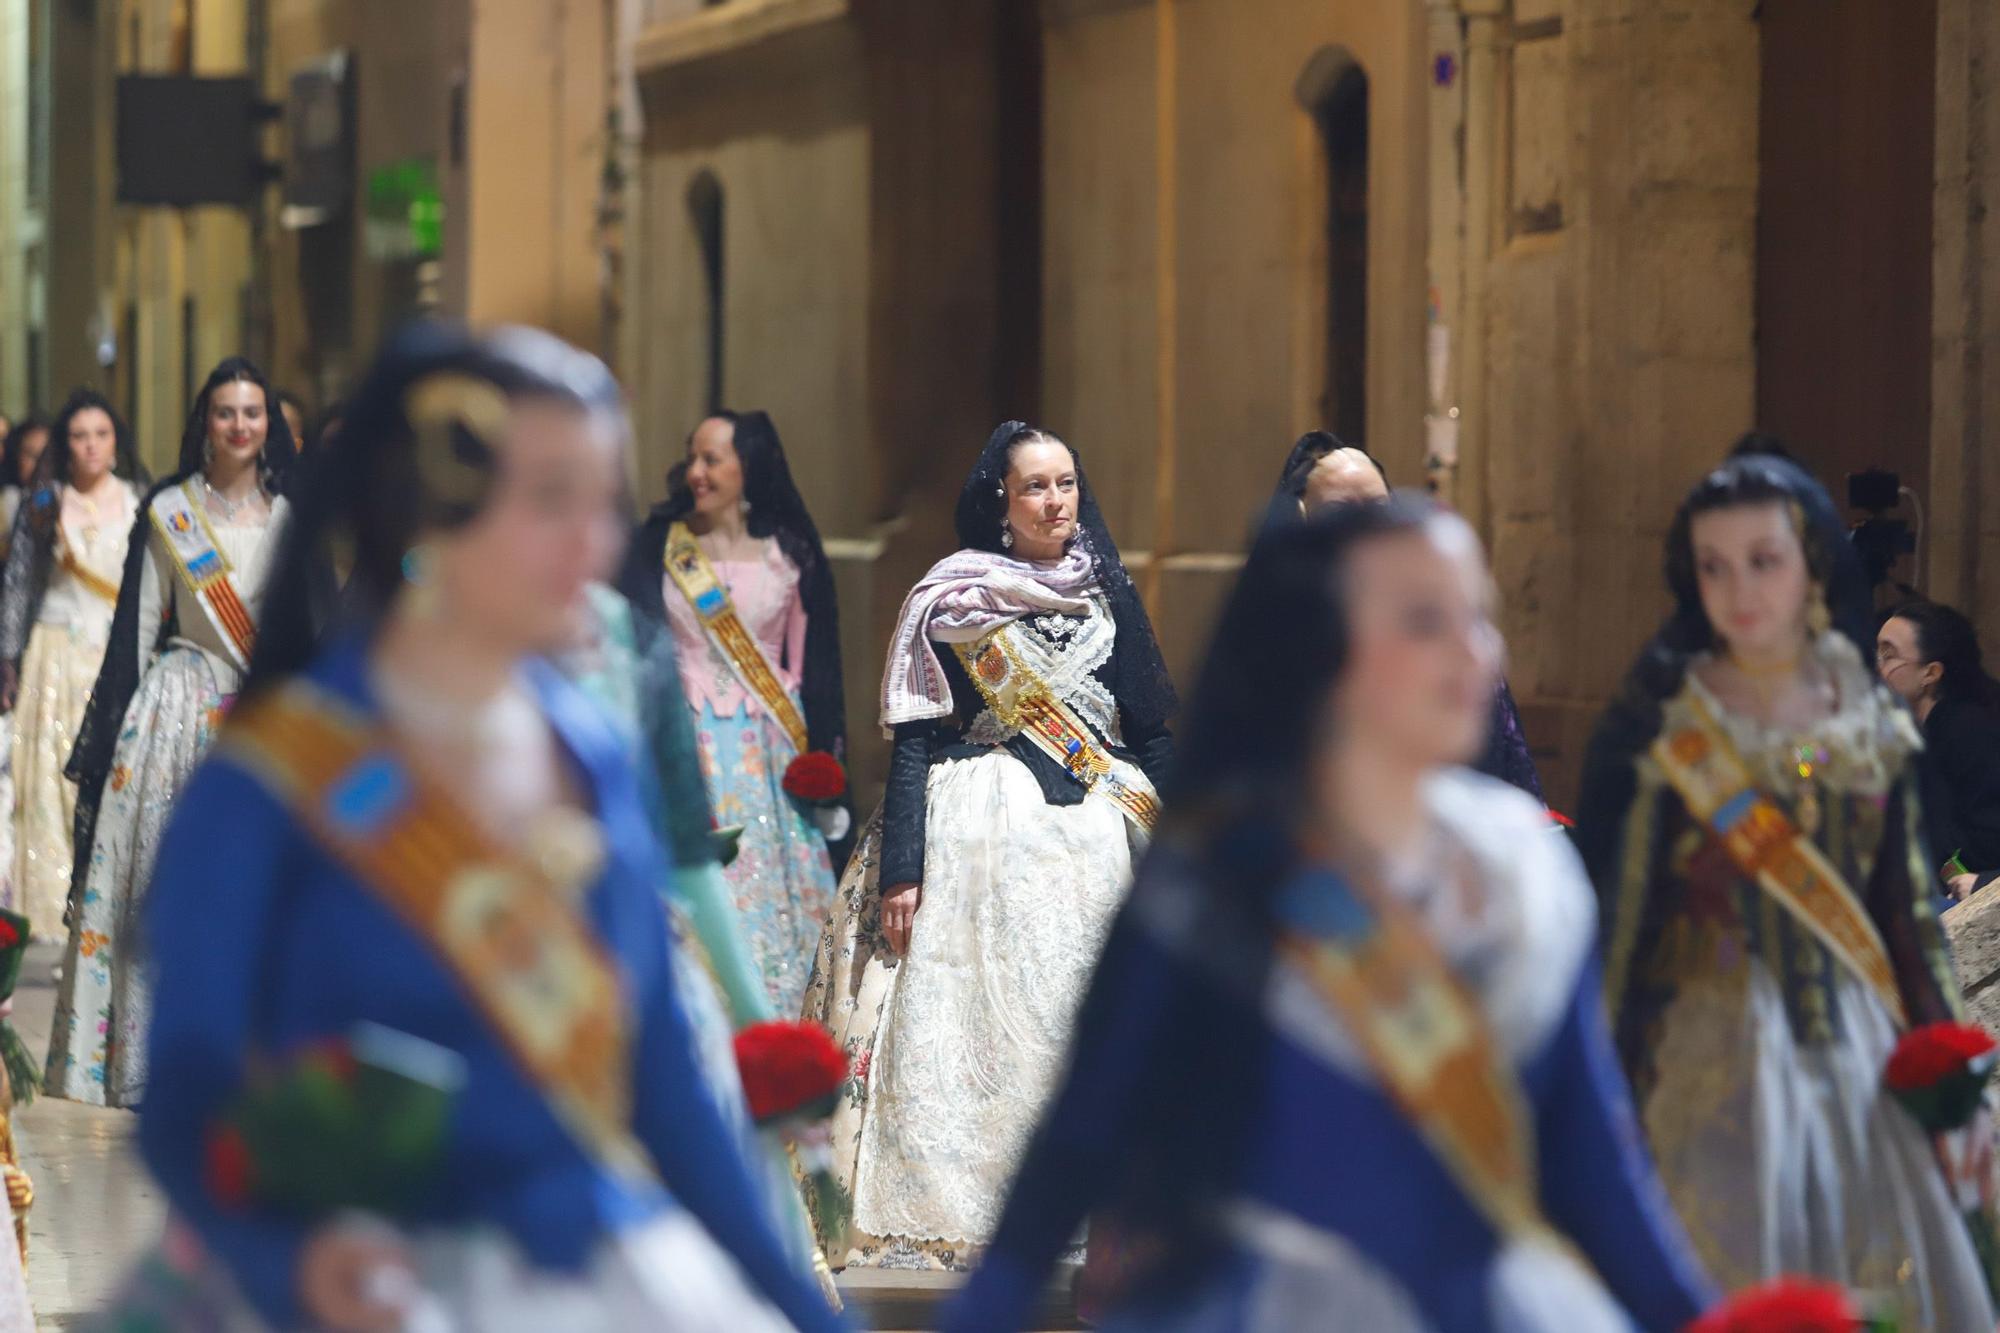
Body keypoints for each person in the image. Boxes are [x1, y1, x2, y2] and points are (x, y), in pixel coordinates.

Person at [134, 323, 842, 1332]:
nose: (597, 544)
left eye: (603, 499)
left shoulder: (588, 754)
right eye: (552, 500)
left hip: (594, 1274)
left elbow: (664, 1094)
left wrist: (806, 1314)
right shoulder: (270, 783)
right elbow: (186, 1097)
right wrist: (288, 1257)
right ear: (428, 507)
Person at [947, 498, 1714, 1332]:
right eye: (1426, 621)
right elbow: (1079, 1145)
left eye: (1478, 616)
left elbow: (1595, 1169)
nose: (1474, 652)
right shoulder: (1217, 883)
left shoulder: (1524, 874)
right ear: (1319, 649)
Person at [1573, 454, 1994, 1328]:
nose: (1741, 588)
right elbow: (1621, 927)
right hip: (1702, 1072)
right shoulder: (1659, 731)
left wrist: (1954, 1075)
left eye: (1763, 561)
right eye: (1715, 566)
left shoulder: (1866, 723)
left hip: (1848, 1067)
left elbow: (1908, 917)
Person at [804, 421, 1175, 1271]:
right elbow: (916, 744)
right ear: (1001, 505)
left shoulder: (1107, 594)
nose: (1056, 501)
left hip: (1100, 837)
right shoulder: (952, 600)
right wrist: (904, 868)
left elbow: (1152, 734)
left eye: (1067, 483)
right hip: (979, 834)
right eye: (1036, 487)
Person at [43, 358, 298, 1107]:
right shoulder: (171, 512)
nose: (241, 425)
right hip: (179, 711)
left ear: (269, 424)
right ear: (204, 423)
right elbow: (140, 627)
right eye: (226, 412)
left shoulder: (292, 519)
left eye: (253, 412)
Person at [617, 411, 847, 1015]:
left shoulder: (789, 552)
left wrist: (827, 756)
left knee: (778, 889)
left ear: (750, 466)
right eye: (692, 458)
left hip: (770, 752)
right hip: (684, 740)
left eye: (712, 459)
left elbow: (816, 665)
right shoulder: (658, 545)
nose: (696, 472)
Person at [1275, 430, 1544, 801]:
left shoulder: (1453, 643)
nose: (1366, 531)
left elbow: (1498, 772)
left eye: (1378, 511)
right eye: (1341, 514)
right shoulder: (1267, 653)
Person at [0, 390, 142, 935]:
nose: (91, 446)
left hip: (113, 657)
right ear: (65, 443)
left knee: (107, 783)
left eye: (101, 434)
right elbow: (18, 582)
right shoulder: (44, 503)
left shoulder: (138, 501)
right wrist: (8, 660)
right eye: (80, 436)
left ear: (116, 440)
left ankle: (102, 912)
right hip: (53, 656)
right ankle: (56, 918)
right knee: (49, 789)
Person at [1878, 599, 2000, 901]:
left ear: (1930, 673)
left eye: (1888, 656)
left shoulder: (1967, 732)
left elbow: (1986, 840)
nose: (1874, 668)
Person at [0, 415, 50, 561]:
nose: (40, 463)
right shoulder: (8, 498)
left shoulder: (67, 498)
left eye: (46, 455)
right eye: (31, 454)